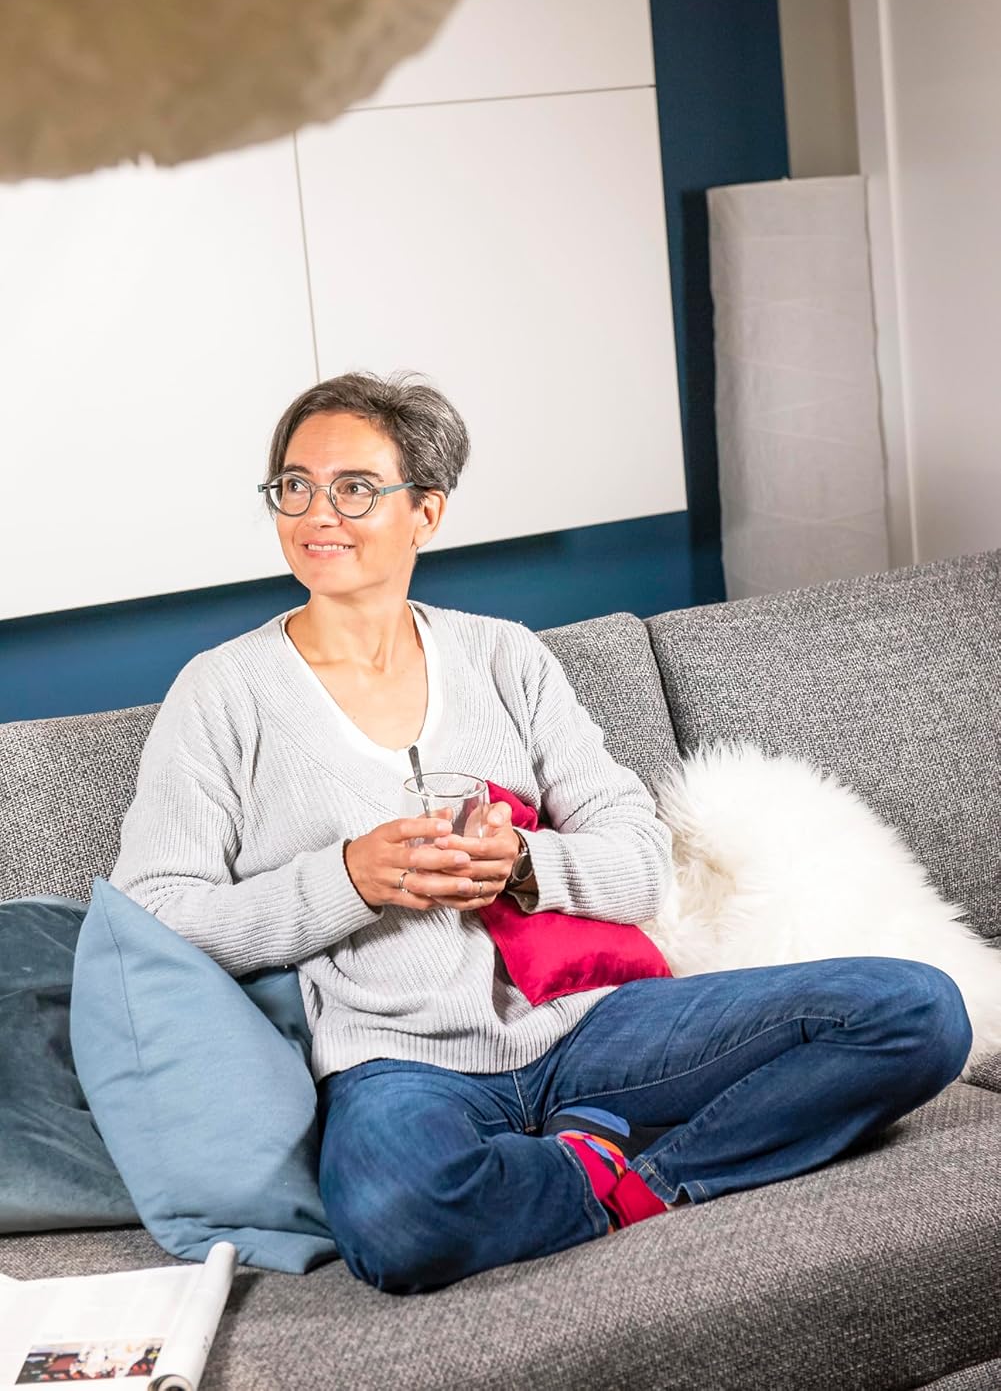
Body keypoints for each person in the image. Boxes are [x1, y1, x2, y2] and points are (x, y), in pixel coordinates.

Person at [110, 370, 973, 1296]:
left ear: (425, 512)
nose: (317, 513)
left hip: (592, 1027)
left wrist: (527, 863)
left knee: (916, 1011)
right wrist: (349, 879)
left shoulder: (506, 657)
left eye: (354, 487)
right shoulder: (223, 693)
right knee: (396, 1219)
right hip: (398, 1063)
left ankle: (643, 1180)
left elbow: (641, 861)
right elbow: (155, 916)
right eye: (295, 485)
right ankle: (596, 1167)